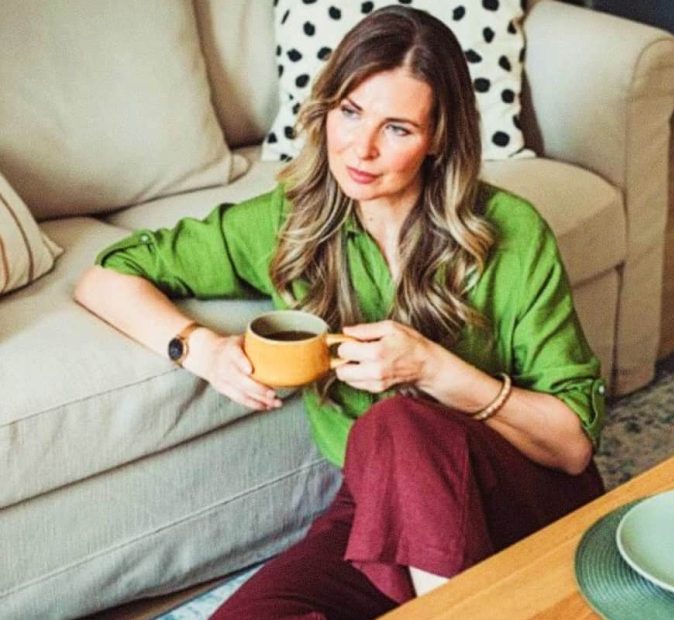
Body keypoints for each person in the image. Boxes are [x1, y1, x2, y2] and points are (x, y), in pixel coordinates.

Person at [74, 6, 606, 619]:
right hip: (380, 506)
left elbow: (571, 449)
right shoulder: (288, 223)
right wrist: (202, 349)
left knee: (396, 423)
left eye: (398, 128)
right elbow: (108, 275)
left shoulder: (511, 233)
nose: (362, 147)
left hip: (520, 494)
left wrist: (432, 369)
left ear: (436, 139)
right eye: (350, 113)